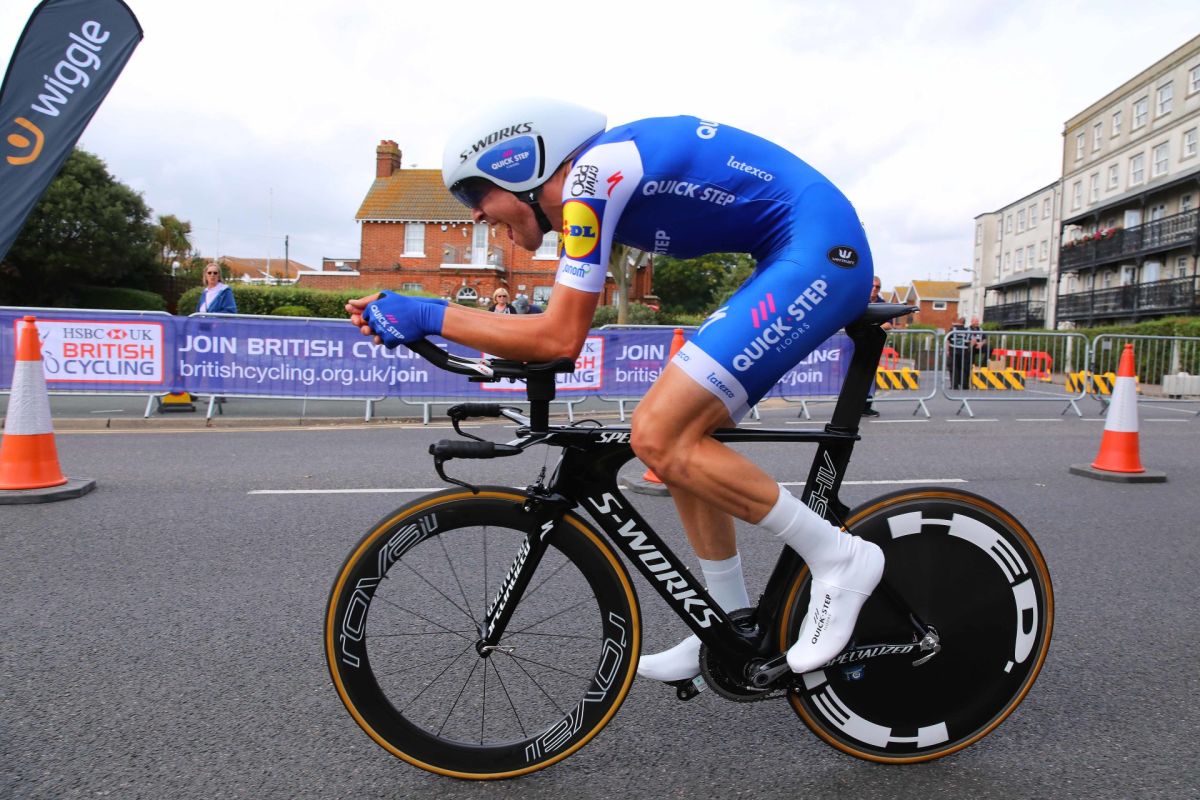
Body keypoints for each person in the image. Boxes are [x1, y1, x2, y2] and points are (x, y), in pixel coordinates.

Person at [346, 99, 883, 681]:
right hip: (791, 251)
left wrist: (428, 313)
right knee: (681, 441)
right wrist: (428, 323)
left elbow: (558, 337)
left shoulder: (592, 179)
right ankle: (729, 623)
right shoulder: (593, 186)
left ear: (520, 168)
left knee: (660, 433)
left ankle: (839, 556)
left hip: (822, 252)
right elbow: (550, 337)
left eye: (476, 194)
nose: (475, 213)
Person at [861, 276, 891, 417]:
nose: (874, 289)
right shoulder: (859, 301)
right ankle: (851, 406)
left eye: (877, 287)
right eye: (872, 285)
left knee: (869, 376)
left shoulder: (883, 304)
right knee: (853, 375)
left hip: (873, 346)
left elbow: (888, 324)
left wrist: (871, 327)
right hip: (855, 344)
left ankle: (866, 407)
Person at [946, 317, 972, 390]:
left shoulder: (953, 329)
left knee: (954, 368)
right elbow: (971, 341)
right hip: (964, 351)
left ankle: (954, 385)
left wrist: (947, 350)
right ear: (964, 323)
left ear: (959, 321)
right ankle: (964, 385)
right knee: (964, 368)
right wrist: (970, 349)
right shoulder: (968, 330)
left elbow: (947, 340)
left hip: (953, 351)